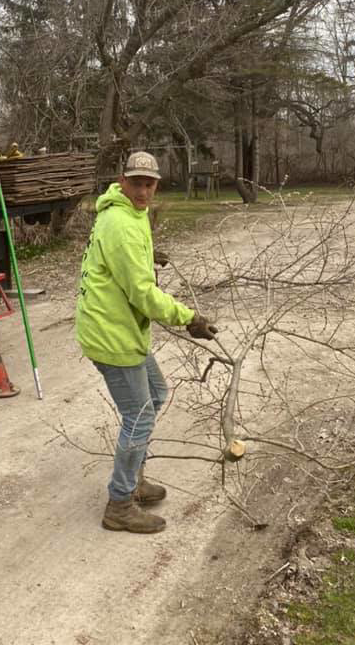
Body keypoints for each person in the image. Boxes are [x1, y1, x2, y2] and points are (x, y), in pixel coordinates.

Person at [75, 151, 218, 534]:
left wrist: (146, 254)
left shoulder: (126, 213)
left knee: (154, 394)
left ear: (156, 183)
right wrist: (189, 318)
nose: (142, 190)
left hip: (120, 329)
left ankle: (134, 481)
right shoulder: (120, 222)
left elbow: (117, 257)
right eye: (136, 182)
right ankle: (119, 504)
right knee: (139, 418)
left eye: (149, 183)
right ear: (123, 180)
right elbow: (142, 295)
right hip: (111, 334)